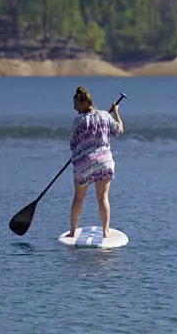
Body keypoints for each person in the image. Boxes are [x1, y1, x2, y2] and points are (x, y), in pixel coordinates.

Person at [67, 86, 124, 238]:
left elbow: (73, 145)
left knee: (79, 198)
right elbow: (119, 130)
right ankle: (105, 232)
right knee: (103, 197)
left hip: (83, 164)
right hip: (104, 162)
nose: (74, 108)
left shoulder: (78, 122)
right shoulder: (105, 115)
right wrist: (116, 113)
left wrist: (79, 154)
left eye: (77, 104)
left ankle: (72, 232)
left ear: (85, 103)